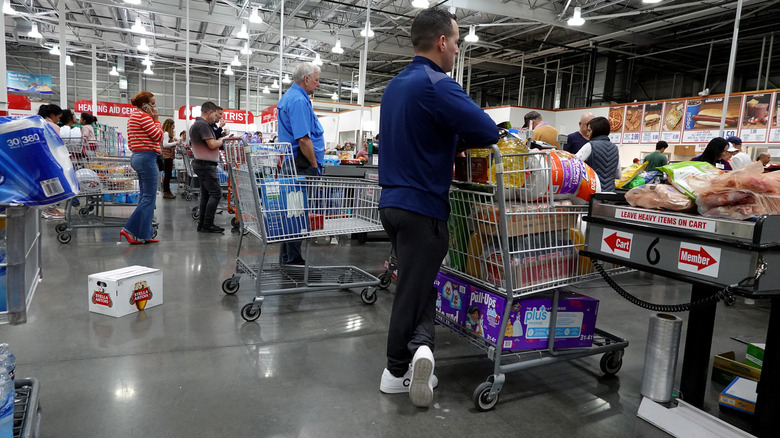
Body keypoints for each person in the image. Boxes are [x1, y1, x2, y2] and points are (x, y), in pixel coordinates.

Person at [377, 7, 499, 408]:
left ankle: (421, 349)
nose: (458, 50)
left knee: (420, 283)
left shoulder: (395, 86)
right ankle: (395, 371)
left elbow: (419, 135)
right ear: (442, 41)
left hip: (392, 204)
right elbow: (486, 129)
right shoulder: (438, 84)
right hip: (422, 208)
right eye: (457, 42)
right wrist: (459, 138)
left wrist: (448, 140)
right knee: (410, 292)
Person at [277, 62, 325, 265]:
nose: (318, 84)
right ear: (306, 79)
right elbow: (304, 139)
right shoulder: (298, 100)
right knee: (297, 213)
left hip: (294, 162)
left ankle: (288, 258)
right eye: (316, 80)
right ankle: (293, 261)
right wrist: (314, 165)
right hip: (301, 164)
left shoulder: (292, 97)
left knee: (292, 212)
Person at [122, 91, 163, 244]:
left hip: (138, 156)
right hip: (147, 157)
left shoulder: (134, 116)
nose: (155, 106)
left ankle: (144, 234)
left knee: (144, 196)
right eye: (153, 103)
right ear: (145, 105)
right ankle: (129, 230)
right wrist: (156, 120)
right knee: (149, 198)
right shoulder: (144, 117)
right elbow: (158, 136)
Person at [189, 101, 225, 233]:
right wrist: (222, 140)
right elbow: (212, 144)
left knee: (205, 194)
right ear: (210, 112)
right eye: (215, 114)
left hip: (201, 164)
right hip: (206, 165)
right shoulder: (203, 125)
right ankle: (208, 224)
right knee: (216, 194)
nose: (216, 118)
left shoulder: (196, 125)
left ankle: (202, 224)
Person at [575, 116, 620, 192]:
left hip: (593, 192)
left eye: (589, 130)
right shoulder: (615, 148)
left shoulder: (590, 145)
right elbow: (618, 175)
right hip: (610, 193)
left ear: (596, 131)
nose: (587, 133)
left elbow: (574, 164)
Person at [160, 119, 180, 199]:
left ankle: (167, 190)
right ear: (169, 125)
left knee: (168, 174)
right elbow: (165, 144)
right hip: (167, 156)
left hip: (168, 156)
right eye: (172, 125)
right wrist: (175, 143)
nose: (174, 127)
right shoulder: (166, 133)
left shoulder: (167, 134)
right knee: (167, 175)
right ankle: (166, 191)